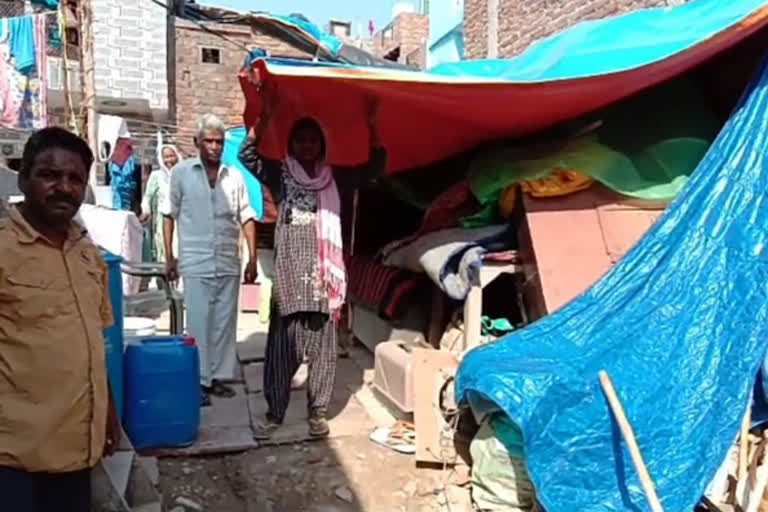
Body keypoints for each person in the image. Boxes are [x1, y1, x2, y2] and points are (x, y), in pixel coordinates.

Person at [239, 94, 385, 439]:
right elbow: (246, 154)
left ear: (322, 145)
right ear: (292, 144)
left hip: (323, 277)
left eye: (312, 140)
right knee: (281, 345)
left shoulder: (335, 178)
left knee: (322, 347)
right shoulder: (279, 172)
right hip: (290, 272)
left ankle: (317, 413)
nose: (307, 146)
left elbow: (374, 168)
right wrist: (265, 116)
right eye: (300, 140)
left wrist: (374, 125)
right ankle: (275, 414)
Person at [0, 127, 120, 512]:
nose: (63, 188)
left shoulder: (88, 253)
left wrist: (109, 415)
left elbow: (94, 347)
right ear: (23, 177)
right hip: (14, 458)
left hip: (76, 452)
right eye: (49, 175)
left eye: (75, 179)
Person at [162, 114, 258, 406]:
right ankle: (199, 380)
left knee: (224, 324)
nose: (215, 147)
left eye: (219, 141)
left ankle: (216, 378)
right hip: (195, 259)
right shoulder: (181, 172)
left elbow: (247, 215)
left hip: (228, 260)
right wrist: (169, 256)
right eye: (209, 141)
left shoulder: (235, 176)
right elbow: (169, 214)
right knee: (199, 322)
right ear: (197, 143)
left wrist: (252, 258)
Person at [140, 143, 183, 263]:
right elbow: (148, 196)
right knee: (164, 250)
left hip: (182, 220)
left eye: (171, 156)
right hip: (163, 220)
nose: (169, 160)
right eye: (166, 157)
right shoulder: (156, 176)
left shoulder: (184, 174)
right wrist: (146, 211)